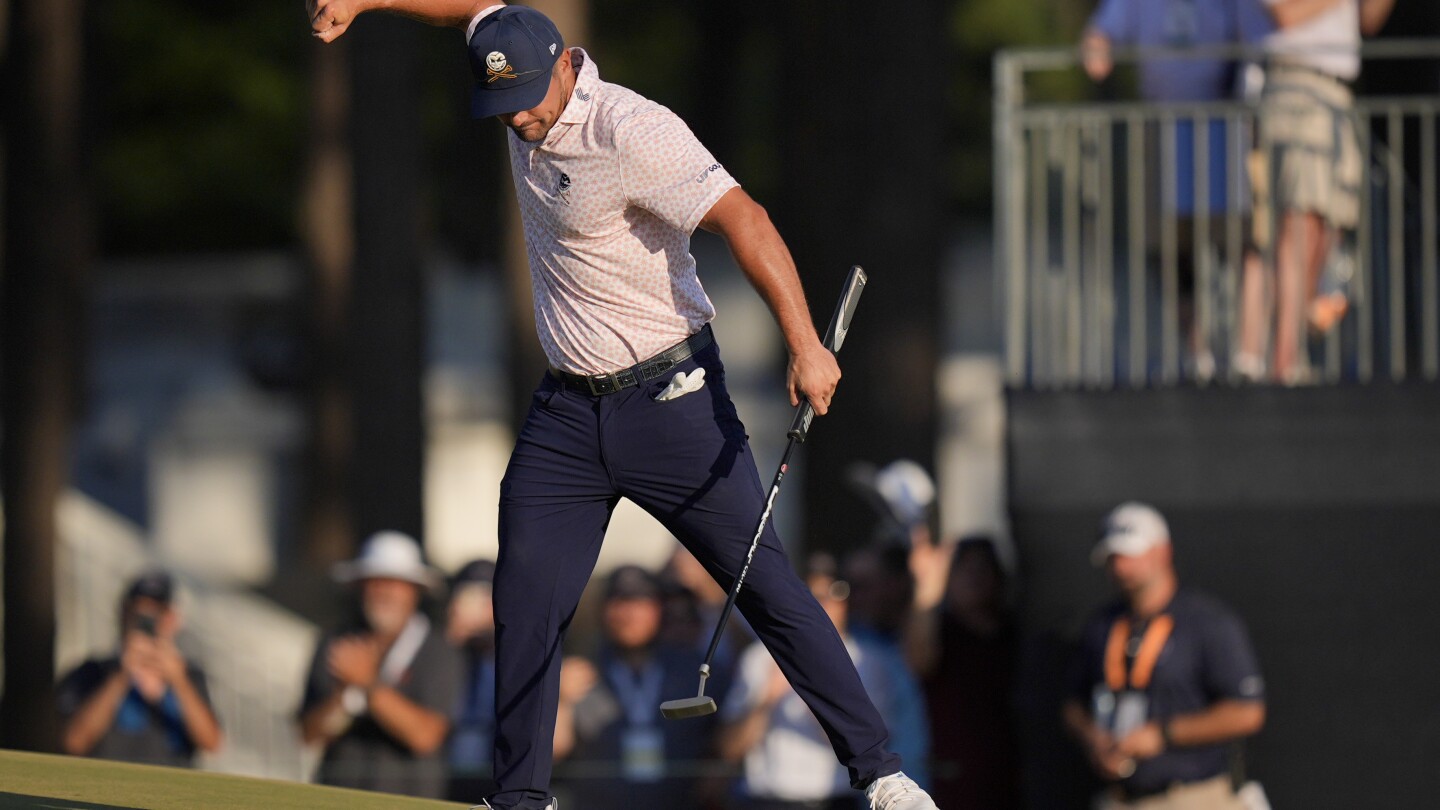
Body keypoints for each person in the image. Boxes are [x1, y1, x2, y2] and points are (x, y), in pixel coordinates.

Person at [304, 3, 938, 809]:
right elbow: (470, 4)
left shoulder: (634, 132)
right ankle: (521, 800)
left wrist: (805, 343)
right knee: (525, 601)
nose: (523, 118)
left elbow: (747, 219)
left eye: (533, 97)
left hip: (671, 398)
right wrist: (367, 1)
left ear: (569, 63)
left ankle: (881, 774)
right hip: (567, 413)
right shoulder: (512, 70)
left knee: (766, 584)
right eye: (504, 107)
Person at [1082, 0, 1274, 381]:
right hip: (1165, 127)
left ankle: (1248, 357)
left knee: (1247, 241)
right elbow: (1101, 34)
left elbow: (1262, 35)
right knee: (1172, 250)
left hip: (1228, 126)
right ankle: (1197, 355)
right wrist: (1096, 49)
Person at [1063, 503, 1266, 809]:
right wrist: (1095, 739)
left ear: (1162, 552)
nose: (1121, 567)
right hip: (1120, 797)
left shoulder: (1207, 621)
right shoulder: (1102, 625)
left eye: (1129, 555)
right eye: (1113, 558)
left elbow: (1247, 712)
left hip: (1190, 797)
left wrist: (1163, 734)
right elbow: (1072, 704)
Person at [1238, 0, 1397, 383]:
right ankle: (1283, 362)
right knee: (1299, 224)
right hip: (1295, 86)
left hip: (1337, 93)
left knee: (1330, 223)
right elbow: (1283, 12)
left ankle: (1292, 343)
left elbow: (1369, 20)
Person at [720, 554, 918, 810]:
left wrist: (817, 694)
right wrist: (768, 699)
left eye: (833, 594)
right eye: (811, 595)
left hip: (832, 800)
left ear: (846, 602)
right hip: (767, 800)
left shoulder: (867, 661)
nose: (823, 604)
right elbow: (729, 749)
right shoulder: (759, 658)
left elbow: (874, 748)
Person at [299, 530, 461, 799]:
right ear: (359, 587)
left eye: (395, 582)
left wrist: (367, 684)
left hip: (410, 802)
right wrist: (342, 696)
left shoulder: (438, 651)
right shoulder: (335, 643)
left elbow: (426, 736)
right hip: (339, 799)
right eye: (375, 581)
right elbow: (309, 734)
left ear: (415, 591)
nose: (384, 592)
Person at [551, 565, 725, 810]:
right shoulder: (579, 669)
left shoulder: (696, 672)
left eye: (641, 603)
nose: (629, 615)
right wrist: (560, 700)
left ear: (660, 610)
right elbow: (553, 753)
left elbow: (724, 743)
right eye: (620, 603)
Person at [57, 570, 223, 766]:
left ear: (173, 620)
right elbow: (73, 742)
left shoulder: (189, 676)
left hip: (172, 793)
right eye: (139, 613)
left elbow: (212, 742)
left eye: (158, 614)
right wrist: (122, 675)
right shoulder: (92, 672)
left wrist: (178, 681)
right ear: (123, 614)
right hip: (107, 791)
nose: (149, 622)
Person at [906, 536, 1020, 810]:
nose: (974, 578)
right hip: (955, 783)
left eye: (982, 569)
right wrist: (927, 589)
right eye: (964, 570)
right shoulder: (942, 632)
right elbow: (919, 659)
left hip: (1011, 779)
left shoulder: (1014, 635)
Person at [447, 558, 500, 801]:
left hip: (498, 779)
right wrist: (452, 637)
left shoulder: (518, 654)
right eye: (470, 598)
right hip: (447, 781)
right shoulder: (445, 652)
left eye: (487, 598)